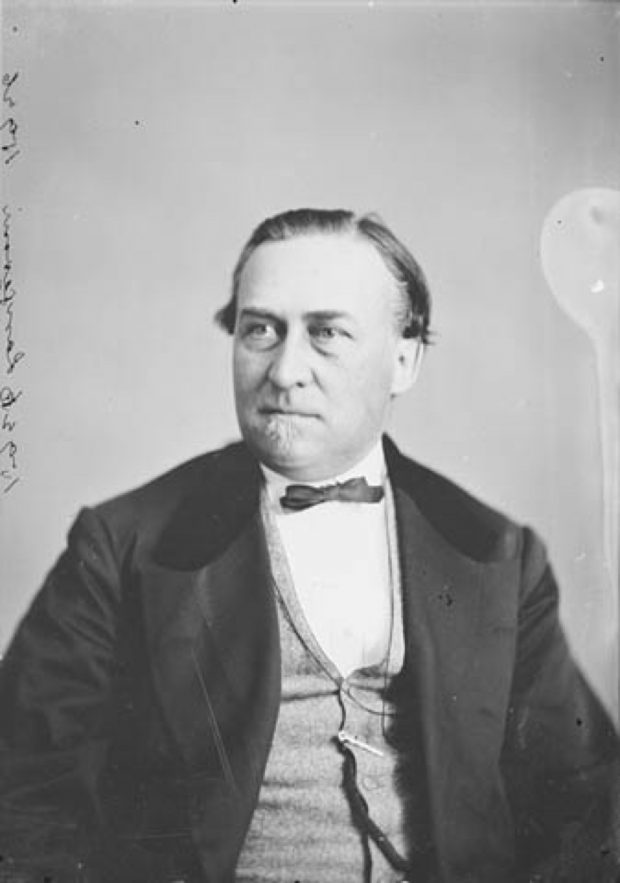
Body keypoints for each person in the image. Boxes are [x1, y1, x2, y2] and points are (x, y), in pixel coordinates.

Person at [0, 208, 618, 883]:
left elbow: (588, 801)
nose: (285, 369)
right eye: (260, 329)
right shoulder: (122, 544)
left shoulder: (498, 552)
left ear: (404, 359)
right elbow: (21, 795)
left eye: (326, 333)